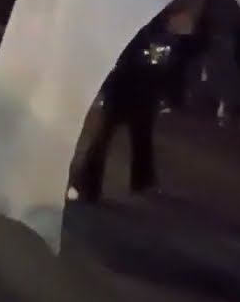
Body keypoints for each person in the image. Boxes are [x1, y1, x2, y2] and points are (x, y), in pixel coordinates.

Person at [70, 16, 172, 203]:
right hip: (127, 86)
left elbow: (156, 59)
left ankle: (136, 180)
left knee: (134, 134)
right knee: (111, 136)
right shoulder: (149, 28)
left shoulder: (151, 27)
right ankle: (90, 183)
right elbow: (152, 60)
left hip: (134, 86)